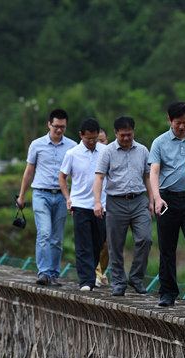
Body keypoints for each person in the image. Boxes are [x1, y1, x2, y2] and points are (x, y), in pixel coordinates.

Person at [149, 101, 185, 307]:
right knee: (167, 248)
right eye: (178, 123)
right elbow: (154, 171)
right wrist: (156, 197)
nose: (182, 127)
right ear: (169, 120)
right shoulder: (159, 142)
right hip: (167, 199)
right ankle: (167, 293)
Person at [93, 116, 154, 297]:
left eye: (129, 135)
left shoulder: (142, 150)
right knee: (115, 244)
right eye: (122, 136)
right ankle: (118, 282)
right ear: (115, 133)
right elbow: (99, 178)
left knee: (145, 238)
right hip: (115, 201)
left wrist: (152, 200)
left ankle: (135, 277)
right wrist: (97, 202)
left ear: (133, 132)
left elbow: (148, 177)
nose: (126, 139)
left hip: (138, 200)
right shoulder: (108, 152)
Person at [17, 109, 76, 286]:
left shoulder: (72, 146)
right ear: (49, 124)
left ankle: (53, 274)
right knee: (44, 233)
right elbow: (29, 171)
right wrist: (21, 196)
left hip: (61, 196)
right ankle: (43, 273)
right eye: (56, 126)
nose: (59, 130)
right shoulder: (37, 145)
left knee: (57, 238)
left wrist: (73, 198)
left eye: (63, 127)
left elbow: (76, 175)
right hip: (41, 194)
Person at [59, 118, 107, 291]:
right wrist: (68, 198)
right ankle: (86, 280)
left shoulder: (105, 151)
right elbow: (62, 177)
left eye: (95, 138)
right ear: (81, 136)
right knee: (83, 243)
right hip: (80, 204)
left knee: (98, 242)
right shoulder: (72, 153)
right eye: (89, 139)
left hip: (102, 205)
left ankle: (92, 272)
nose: (92, 142)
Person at [95, 127, 110, 287]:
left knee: (108, 243)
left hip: (110, 204)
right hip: (91, 204)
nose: (99, 144)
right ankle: (96, 273)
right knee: (94, 241)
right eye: (96, 140)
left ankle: (102, 270)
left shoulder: (112, 154)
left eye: (102, 140)